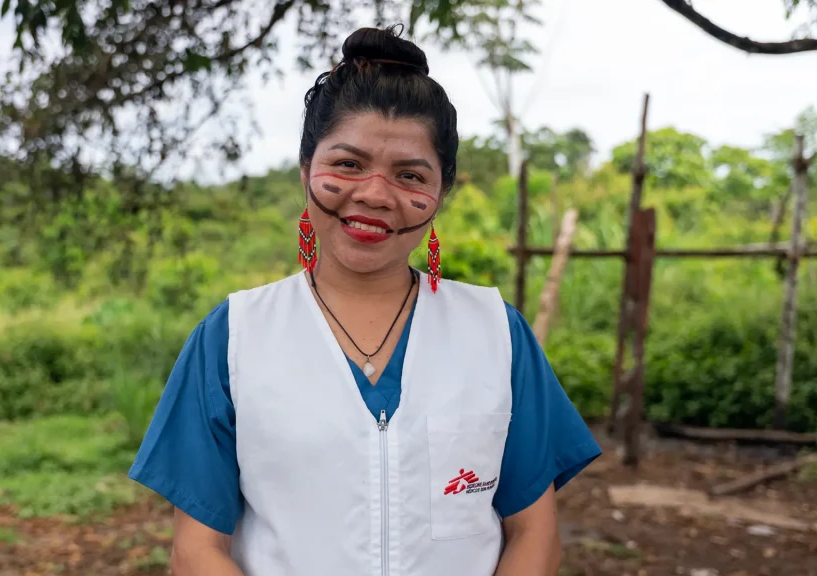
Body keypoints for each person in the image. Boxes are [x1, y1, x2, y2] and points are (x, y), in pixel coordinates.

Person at [128, 24, 601, 576]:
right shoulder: (232, 337)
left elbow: (533, 533)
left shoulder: (497, 333)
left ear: (441, 193)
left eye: (409, 175)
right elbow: (198, 550)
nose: (376, 194)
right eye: (348, 164)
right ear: (307, 172)